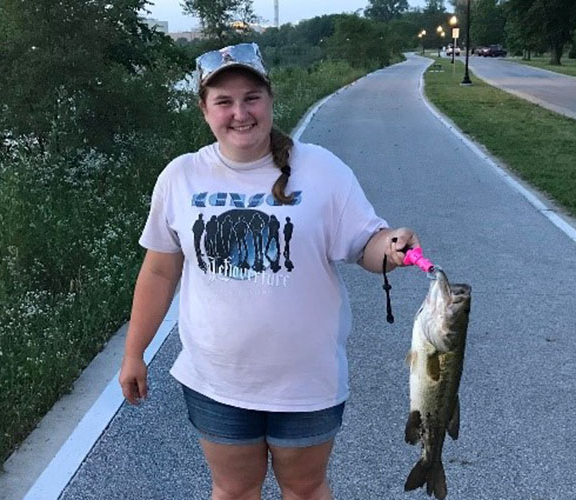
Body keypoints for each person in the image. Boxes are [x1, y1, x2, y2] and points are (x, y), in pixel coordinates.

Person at [119, 42, 421, 500]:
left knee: (304, 489)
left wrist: (392, 247)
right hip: (216, 379)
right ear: (205, 110)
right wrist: (134, 352)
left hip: (306, 381)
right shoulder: (180, 177)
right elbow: (160, 272)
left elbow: (367, 245)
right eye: (224, 101)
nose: (240, 113)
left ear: (270, 100)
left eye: (251, 98)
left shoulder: (322, 170)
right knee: (234, 490)